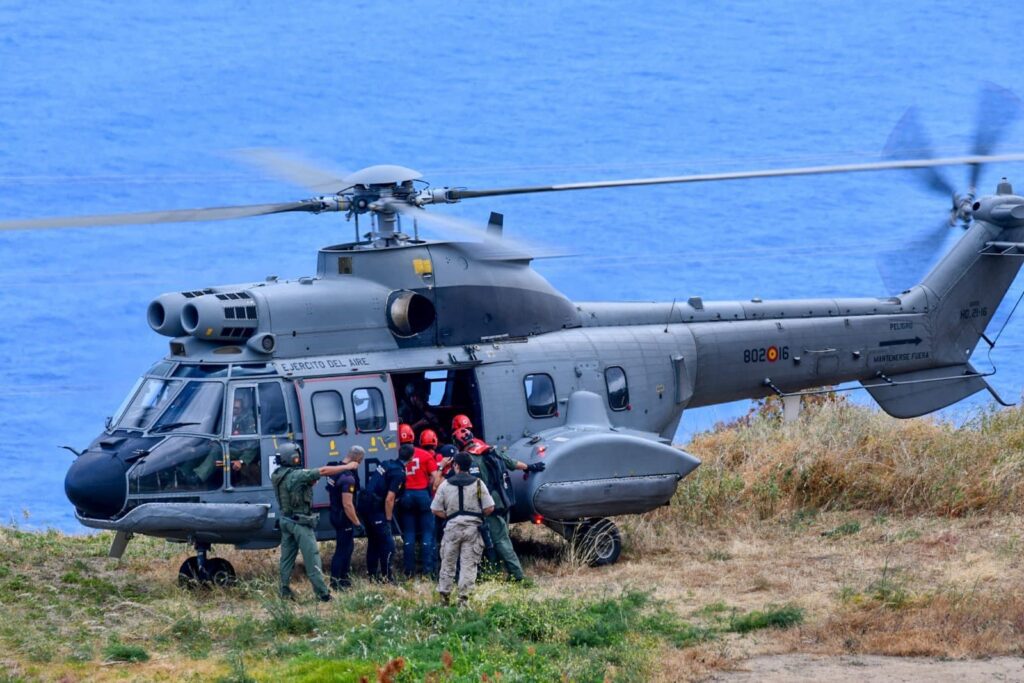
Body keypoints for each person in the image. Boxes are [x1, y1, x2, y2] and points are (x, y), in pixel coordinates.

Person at [455, 428, 545, 582]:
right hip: (504, 500)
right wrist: (530, 467)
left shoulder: (468, 460)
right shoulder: (490, 451)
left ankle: (518, 575)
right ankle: (494, 571)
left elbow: (474, 485)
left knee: (500, 540)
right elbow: (512, 463)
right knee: (495, 538)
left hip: (489, 505)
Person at [271, 442, 357, 601]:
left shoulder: (277, 474)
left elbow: (294, 486)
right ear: (292, 457)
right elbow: (323, 471)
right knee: (312, 558)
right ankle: (323, 594)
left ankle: (284, 591)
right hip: (300, 523)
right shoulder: (297, 475)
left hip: (286, 520)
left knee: (286, 559)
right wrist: (347, 467)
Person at [431, 452, 495, 605]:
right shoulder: (478, 484)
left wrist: (449, 516)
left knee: (448, 563)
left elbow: (435, 509)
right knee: (468, 565)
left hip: (452, 528)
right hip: (473, 529)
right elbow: (489, 507)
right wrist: (478, 515)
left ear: (456, 466)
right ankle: (463, 600)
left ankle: (444, 598)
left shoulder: (445, 485)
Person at [358, 445, 409, 583]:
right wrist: (388, 520)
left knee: (374, 542)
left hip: (366, 506)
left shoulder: (386, 463)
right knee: (388, 545)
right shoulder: (399, 473)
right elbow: (389, 499)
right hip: (376, 509)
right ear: (411, 458)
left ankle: (372, 577)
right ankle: (387, 578)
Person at [398, 423, 440, 578]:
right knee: (428, 533)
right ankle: (428, 570)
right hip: (423, 494)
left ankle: (409, 570)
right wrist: (428, 487)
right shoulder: (425, 455)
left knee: (409, 534)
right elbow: (434, 477)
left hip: (406, 496)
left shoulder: (397, 455)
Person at [326, 445, 366, 590]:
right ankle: (336, 582)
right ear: (357, 458)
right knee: (343, 549)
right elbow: (348, 505)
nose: (360, 463)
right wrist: (357, 523)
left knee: (347, 547)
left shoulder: (335, 470)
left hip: (335, 513)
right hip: (343, 517)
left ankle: (344, 578)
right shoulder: (348, 478)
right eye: (360, 460)